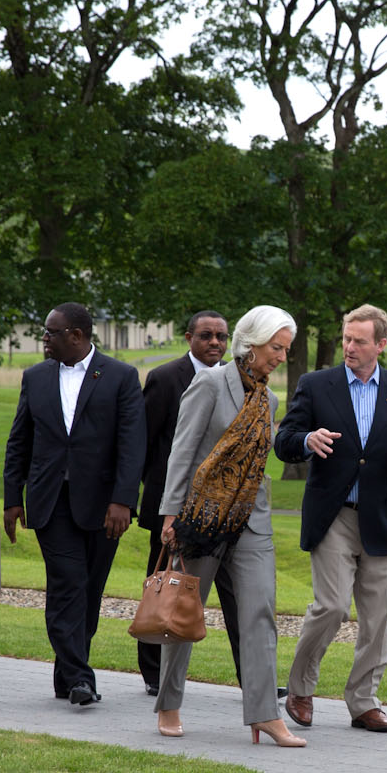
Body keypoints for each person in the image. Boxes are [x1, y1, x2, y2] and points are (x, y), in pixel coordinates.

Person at [274, 304, 387, 733]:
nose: (349, 347)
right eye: (346, 338)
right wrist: (307, 439)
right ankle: (300, 688)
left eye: (359, 341)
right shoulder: (316, 385)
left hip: (382, 518)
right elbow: (284, 441)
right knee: (330, 606)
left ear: (380, 345)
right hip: (333, 517)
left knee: (378, 617)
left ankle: (364, 701)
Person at [154, 305, 305, 747]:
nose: (281, 356)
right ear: (251, 343)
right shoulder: (209, 384)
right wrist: (170, 514)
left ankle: (265, 715)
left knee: (260, 614)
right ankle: (168, 703)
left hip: (252, 521)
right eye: (276, 348)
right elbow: (182, 453)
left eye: (286, 349)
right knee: (184, 614)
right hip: (201, 520)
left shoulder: (270, 399)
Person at [4, 303, 146, 706]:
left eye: (50, 332)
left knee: (90, 593)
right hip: (51, 502)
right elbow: (20, 441)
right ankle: (82, 678)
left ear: (77, 336)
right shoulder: (35, 377)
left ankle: (65, 675)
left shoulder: (121, 376)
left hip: (104, 507)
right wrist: (13, 498)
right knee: (68, 586)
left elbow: (132, 445)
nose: (43, 339)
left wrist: (123, 500)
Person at [136, 310, 244, 695]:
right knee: (164, 586)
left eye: (221, 336)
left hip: (227, 511)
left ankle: (252, 677)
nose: (215, 343)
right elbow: (147, 443)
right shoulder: (166, 379)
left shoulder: (237, 379)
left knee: (237, 596)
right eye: (206, 336)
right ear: (189, 338)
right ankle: (154, 674)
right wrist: (163, 502)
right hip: (174, 507)